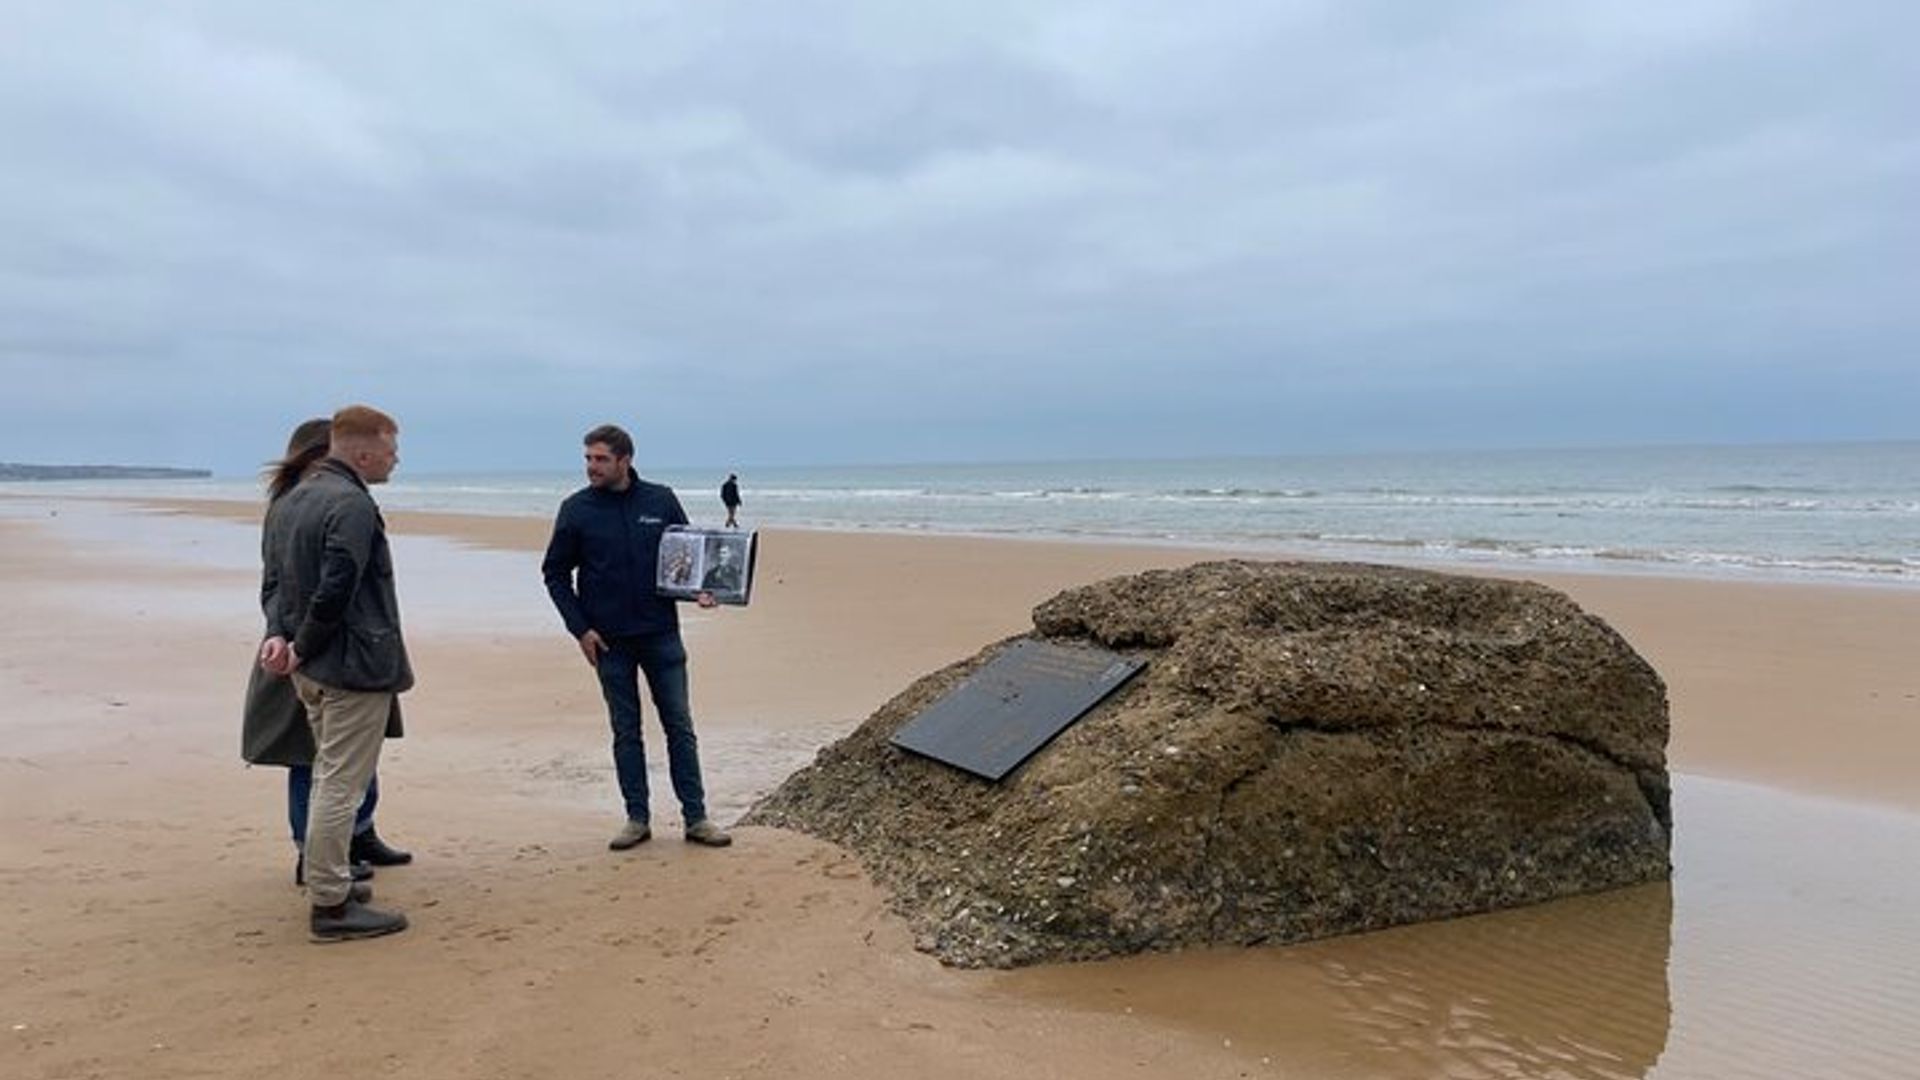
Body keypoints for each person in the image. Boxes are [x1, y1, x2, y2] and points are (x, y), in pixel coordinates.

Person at [259, 404, 414, 942]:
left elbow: (276, 583)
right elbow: (337, 586)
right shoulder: (349, 503)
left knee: (330, 775)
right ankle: (330, 903)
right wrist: (300, 644)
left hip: (315, 665)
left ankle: (332, 882)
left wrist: (281, 637)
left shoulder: (292, 499)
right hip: (347, 666)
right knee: (339, 784)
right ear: (364, 450)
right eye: (392, 450)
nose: (396, 460)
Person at [542, 424, 733, 851]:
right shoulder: (576, 509)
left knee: (679, 727)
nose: (591, 466)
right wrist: (580, 629)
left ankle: (696, 817)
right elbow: (554, 573)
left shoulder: (659, 500)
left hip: (660, 634)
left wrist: (703, 588)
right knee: (626, 731)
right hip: (609, 642)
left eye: (600, 459)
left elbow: (688, 556)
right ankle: (636, 818)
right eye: (588, 458)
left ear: (625, 460)